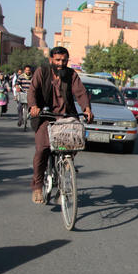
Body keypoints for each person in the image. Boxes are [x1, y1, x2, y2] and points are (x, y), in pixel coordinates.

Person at [27, 46, 93, 204]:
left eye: (64, 60)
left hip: (66, 117)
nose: (61, 63)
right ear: (51, 60)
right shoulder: (42, 72)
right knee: (42, 149)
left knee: (74, 143)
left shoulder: (71, 75)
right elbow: (32, 90)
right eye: (57, 60)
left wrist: (87, 109)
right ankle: (37, 186)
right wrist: (34, 106)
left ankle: (64, 180)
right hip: (45, 117)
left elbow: (81, 92)